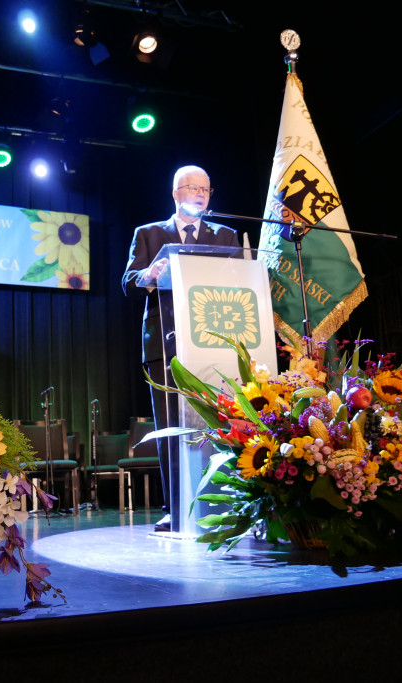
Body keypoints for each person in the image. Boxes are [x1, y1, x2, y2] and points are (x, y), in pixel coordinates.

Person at [121, 165, 240, 532]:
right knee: (172, 427)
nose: (200, 194)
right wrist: (149, 276)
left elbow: (240, 282)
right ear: (175, 194)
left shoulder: (227, 236)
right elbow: (128, 281)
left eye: (205, 188)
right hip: (165, 341)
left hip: (216, 341)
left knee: (225, 424)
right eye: (192, 187)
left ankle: (233, 503)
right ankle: (174, 507)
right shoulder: (150, 233)